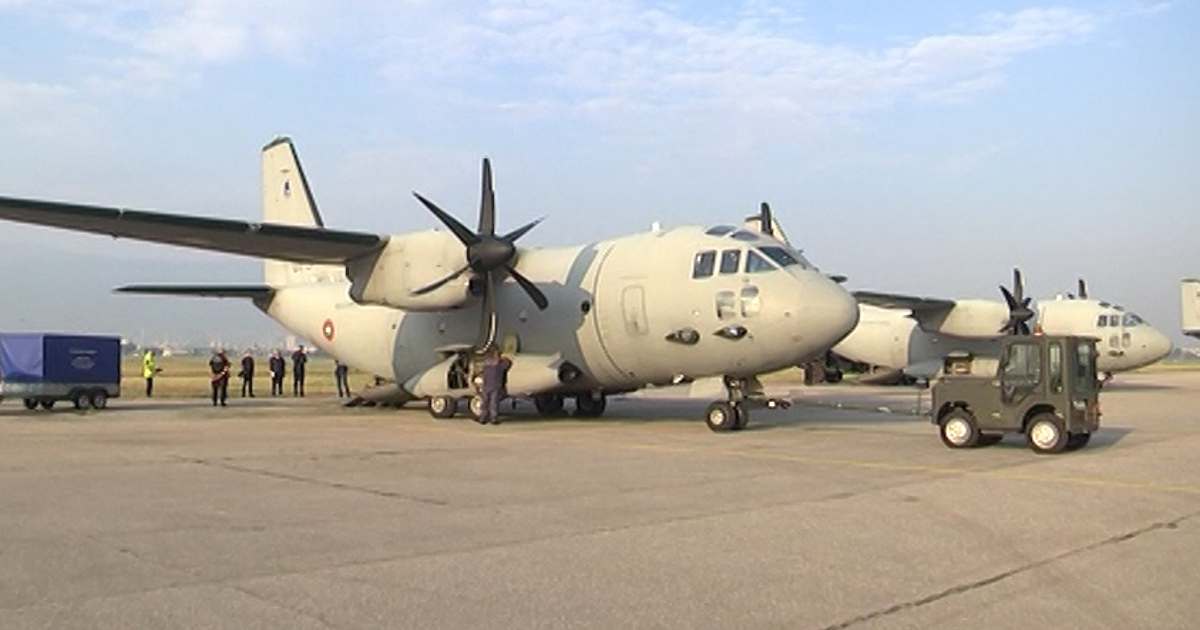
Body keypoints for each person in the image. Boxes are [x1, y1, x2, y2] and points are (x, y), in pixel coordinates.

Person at [477, 351, 512, 425]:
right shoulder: (499, 366)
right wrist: (504, 358)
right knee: (493, 403)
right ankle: (493, 418)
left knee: (485, 402)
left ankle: (482, 418)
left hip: (486, 386)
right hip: (495, 386)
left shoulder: (486, 365)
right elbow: (507, 364)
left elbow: (481, 372)